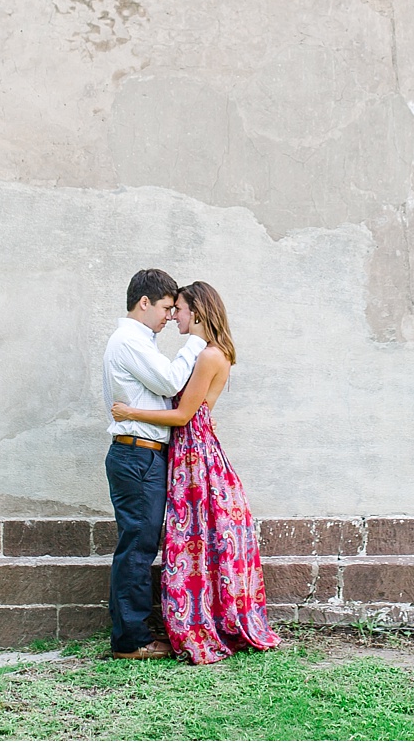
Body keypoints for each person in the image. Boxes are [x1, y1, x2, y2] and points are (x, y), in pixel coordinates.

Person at [113, 280, 280, 664]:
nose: (175, 318)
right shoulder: (208, 354)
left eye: (181, 310)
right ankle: (205, 616)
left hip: (194, 455)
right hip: (191, 449)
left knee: (195, 538)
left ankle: (204, 621)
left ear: (199, 311)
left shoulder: (207, 356)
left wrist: (129, 412)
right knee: (198, 539)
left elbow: (184, 414)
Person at [101, 268, 204, 660]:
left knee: (139, 544)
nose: (169, 315)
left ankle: (133, 631)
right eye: (165, 307)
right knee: (138, 547)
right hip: (137, 454)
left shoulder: (138, 341)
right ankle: (132, 640)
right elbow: (172, 382)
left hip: (141, 453)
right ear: (144, 303)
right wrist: (195, 342)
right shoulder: (130, 340)